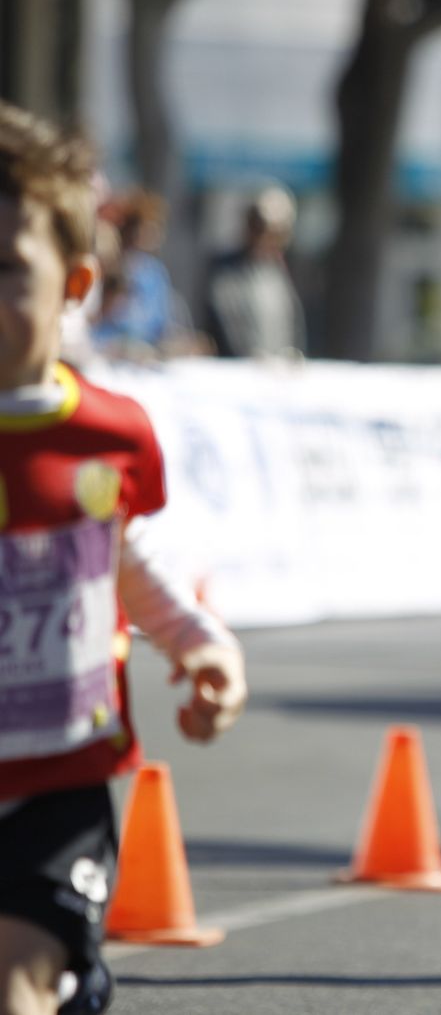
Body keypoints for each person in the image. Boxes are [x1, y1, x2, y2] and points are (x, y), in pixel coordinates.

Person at [0, 102, 248, 1015]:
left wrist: (197, 642)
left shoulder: (109, 437)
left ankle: (50, 975)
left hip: (58, 781)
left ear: (72, 285)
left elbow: (125, 555)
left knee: (11, 983)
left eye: (4, 272)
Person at [202, 184, 306, 360]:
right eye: (264, 230)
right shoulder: (226, 272)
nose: (273, 240)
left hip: (277, 376)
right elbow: (226, 326)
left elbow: (293, 326)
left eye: (280, 234)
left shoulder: (278, 272)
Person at [90, 189, 191, 358]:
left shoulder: (155, 273)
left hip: (146, 358)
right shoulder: (109, 266)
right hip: (108, 354)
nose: (151, 234)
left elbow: (162, 325)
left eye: (155, 228)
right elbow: (97, 321)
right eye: (144, 227)